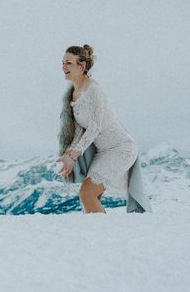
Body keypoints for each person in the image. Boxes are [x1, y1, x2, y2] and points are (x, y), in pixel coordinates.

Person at [56, 45, 138, 213]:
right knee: (89, 197)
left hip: (120, 148)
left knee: (87, 194)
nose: (63, 67)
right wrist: (68, 155)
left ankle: (104, 237)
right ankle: (96, 236)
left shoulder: (95, 90)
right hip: (102, 153)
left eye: (69, 63)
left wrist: (74, 155)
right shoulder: (73, 94)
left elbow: (95, 127)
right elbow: (79, 130)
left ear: (82, 65)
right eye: (63, 63)